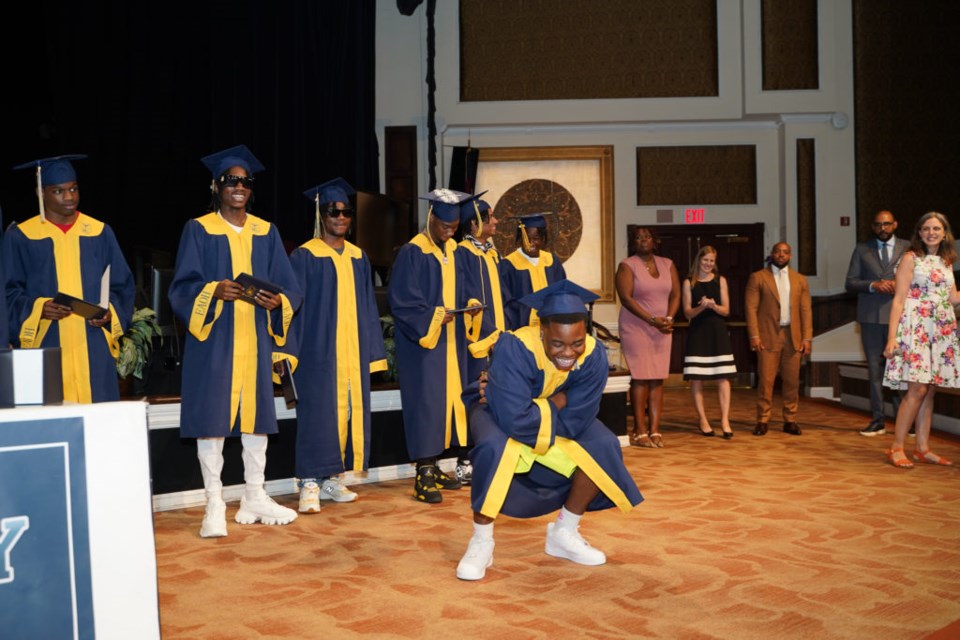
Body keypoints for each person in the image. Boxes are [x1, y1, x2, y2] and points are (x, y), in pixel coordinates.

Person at [455, 279, 643, 581]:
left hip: (545, 416)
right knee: (494, 446)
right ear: (542, 332)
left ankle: (564, 532)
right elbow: (513, 418)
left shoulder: (593, 355)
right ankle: (481, 541)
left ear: (586, 332)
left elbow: (581, 416)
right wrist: (557, 400)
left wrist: (541, 408)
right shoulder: (515, 346)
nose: (568, 352)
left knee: (604, 444)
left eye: (576, 342)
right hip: (494, 411)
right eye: (557, 343)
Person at [168, 145, 303, 537]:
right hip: (216, 339)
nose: (239, 187)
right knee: (212, 419)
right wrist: (214, 291)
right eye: (231, 181)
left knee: (256, 417)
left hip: (256, 338)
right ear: (216, 186)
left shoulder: (267, 231)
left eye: (245, 182)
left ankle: (254, 494)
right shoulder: (199, 229)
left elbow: (290, 287)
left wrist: (277, 300)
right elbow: (182, 287)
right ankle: (214, 501)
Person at [287, 178, 388, 513]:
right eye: (334, 212)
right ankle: (308, 482)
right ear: (321, 215)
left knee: (346, 413)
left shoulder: (359, 258)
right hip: (316, 351)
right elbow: (293, 308)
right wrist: (288, 351)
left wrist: (373, 352)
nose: (341, 218)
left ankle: (332, 477)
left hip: (352, 350)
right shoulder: (305, 255)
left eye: (346, 212)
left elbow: (369, 308)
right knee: (317, 415)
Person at [4, 154, 134, 402]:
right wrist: (39, 308)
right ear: (41, 193)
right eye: (59, 191)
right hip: (45, 345)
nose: (69, 197)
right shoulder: (22, 236)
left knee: (98, 425)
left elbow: (122, 286)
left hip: (93, 347)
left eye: (73, 189)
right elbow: (7, 293)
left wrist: (109, 315)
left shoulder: (99, 232)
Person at [387, 189, 481, 503]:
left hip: (452, 343)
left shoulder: (454, 250)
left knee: (449, 402)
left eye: (453, 227)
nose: (448, 231)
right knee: (427, 403)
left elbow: (465, 287)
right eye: (443, 225)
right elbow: (402, 302)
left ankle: (436, 464)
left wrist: (471, 304)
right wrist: (433, 318)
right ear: (431, 218)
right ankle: (423, 473)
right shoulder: (413, 252)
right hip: (424, 344)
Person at [881, 212, 960, 468]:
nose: (931, 232)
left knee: (930, 390)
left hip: (941, 329)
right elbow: (899, 300)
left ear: (945, 232)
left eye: (936, 228)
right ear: (919, 232)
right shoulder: (910, 258)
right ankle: (896, 447)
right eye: (926, 228)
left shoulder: (947, 261)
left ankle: (923, 448)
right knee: (917, 389)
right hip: (916, 326)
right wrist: (892, 338)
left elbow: (953, 299)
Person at [845, 210, 910, 437]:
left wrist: (898, 284)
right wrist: (874, 285)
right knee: (875, 371)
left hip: (902, 319)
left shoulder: (909, 248)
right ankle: (878, 419)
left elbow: (919, 280)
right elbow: (850, 282)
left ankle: (906, 420)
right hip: (871, 318)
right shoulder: (862, 249)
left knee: (901, 372)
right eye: (878, 225)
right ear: (873, 227)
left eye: (887, 224)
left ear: (895, 224)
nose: (883, 228)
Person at [455, 195, 506, 485]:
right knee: (474, 398)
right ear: (474, 223)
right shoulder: (462, 254)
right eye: (490, 217)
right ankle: (466, 460)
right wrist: (489, 332)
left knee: (497, 400)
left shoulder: (492, 253)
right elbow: (464, 296)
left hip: (499, 339)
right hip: (475, 341)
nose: (495, 221)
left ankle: (494, 456)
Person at [616, 227, 680, 448]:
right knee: (641, 377)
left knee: (657, 377)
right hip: (637, 327)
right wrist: (652, 320)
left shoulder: (667, 264)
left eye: (647, 236)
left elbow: (676, 293)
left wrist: (669, 317)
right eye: (638, 238)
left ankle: (655, 429)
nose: (642, 240)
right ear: (634, 243)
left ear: (655, 240)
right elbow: (626, 298)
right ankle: (640, 431)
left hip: (663, 327)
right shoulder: (627, 266)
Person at [745, 242, 813, 436]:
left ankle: (790, 419)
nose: (781, 255)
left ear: (790, 256)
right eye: (777, 251)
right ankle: (762, 419)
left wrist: (807, 338)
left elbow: (806, 311)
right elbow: (751, 309)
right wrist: (754, 335)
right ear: (772, 254)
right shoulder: (758, 277)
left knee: (792, 381)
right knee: (766, 381)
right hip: (767, 336)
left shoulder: (800, 280)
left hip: (793, 337)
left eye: (785, 252)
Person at [681, 246, 737, 438]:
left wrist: (713, 305)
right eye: (706, 260)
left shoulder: (720, 280)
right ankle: (703, 420)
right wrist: (701, 307)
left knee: (724, 378)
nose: (708, 264)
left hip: (718, 332)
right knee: (697, 378)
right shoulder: (689, 282)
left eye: (712, 261)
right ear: (699, 260)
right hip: (698, 332)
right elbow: (687, 313)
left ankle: (725, 421)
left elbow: (727, 310)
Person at [499, 213, 566, 330]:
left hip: (550, 327)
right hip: (521, 328)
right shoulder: (509, 264)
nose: (531, 244)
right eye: (527, 239)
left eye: (536, 239)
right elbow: (505, 302)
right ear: (520, 238)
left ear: (543, 238)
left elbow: (561, 293)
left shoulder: (551, 261)